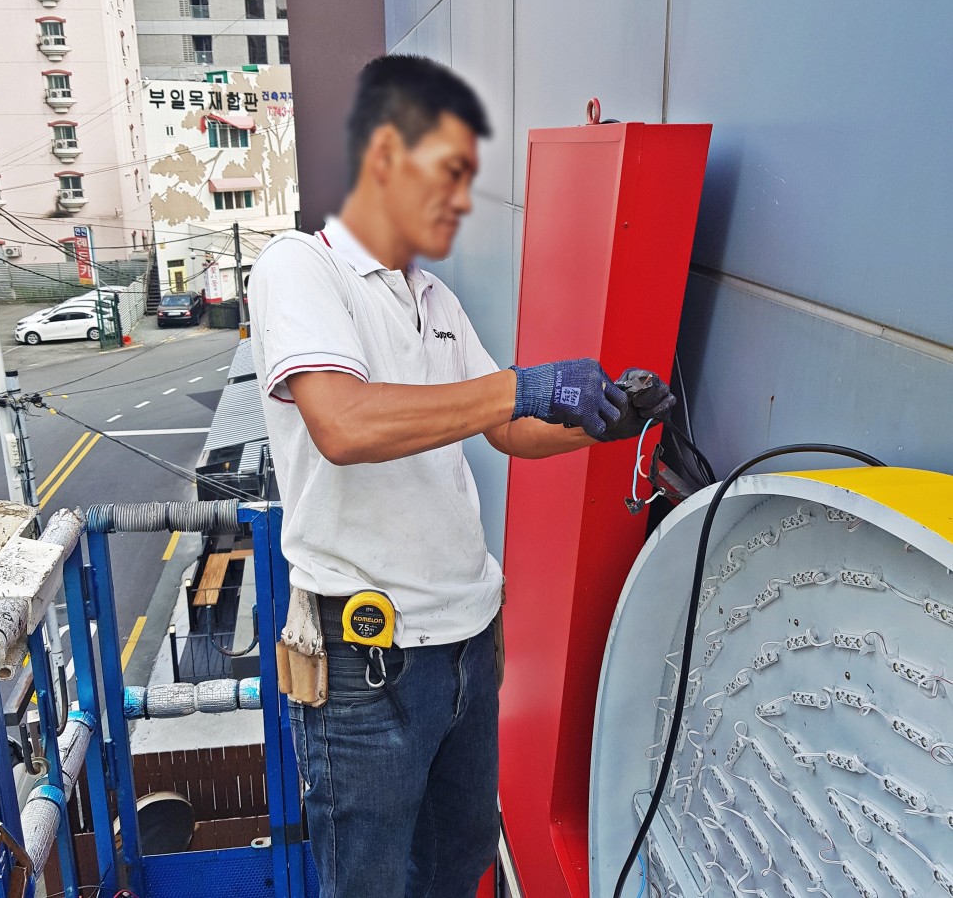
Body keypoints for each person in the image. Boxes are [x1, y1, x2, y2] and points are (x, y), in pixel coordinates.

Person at [249, 54, 674, 898]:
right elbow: (344, 423)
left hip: (468, 646)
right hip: (368, 663)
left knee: (457, 862)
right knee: (366, 880)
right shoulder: (302, 270)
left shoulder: (433, 301)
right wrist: (523, 384)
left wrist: (605, 421)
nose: (458, 200)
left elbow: (508, 425)